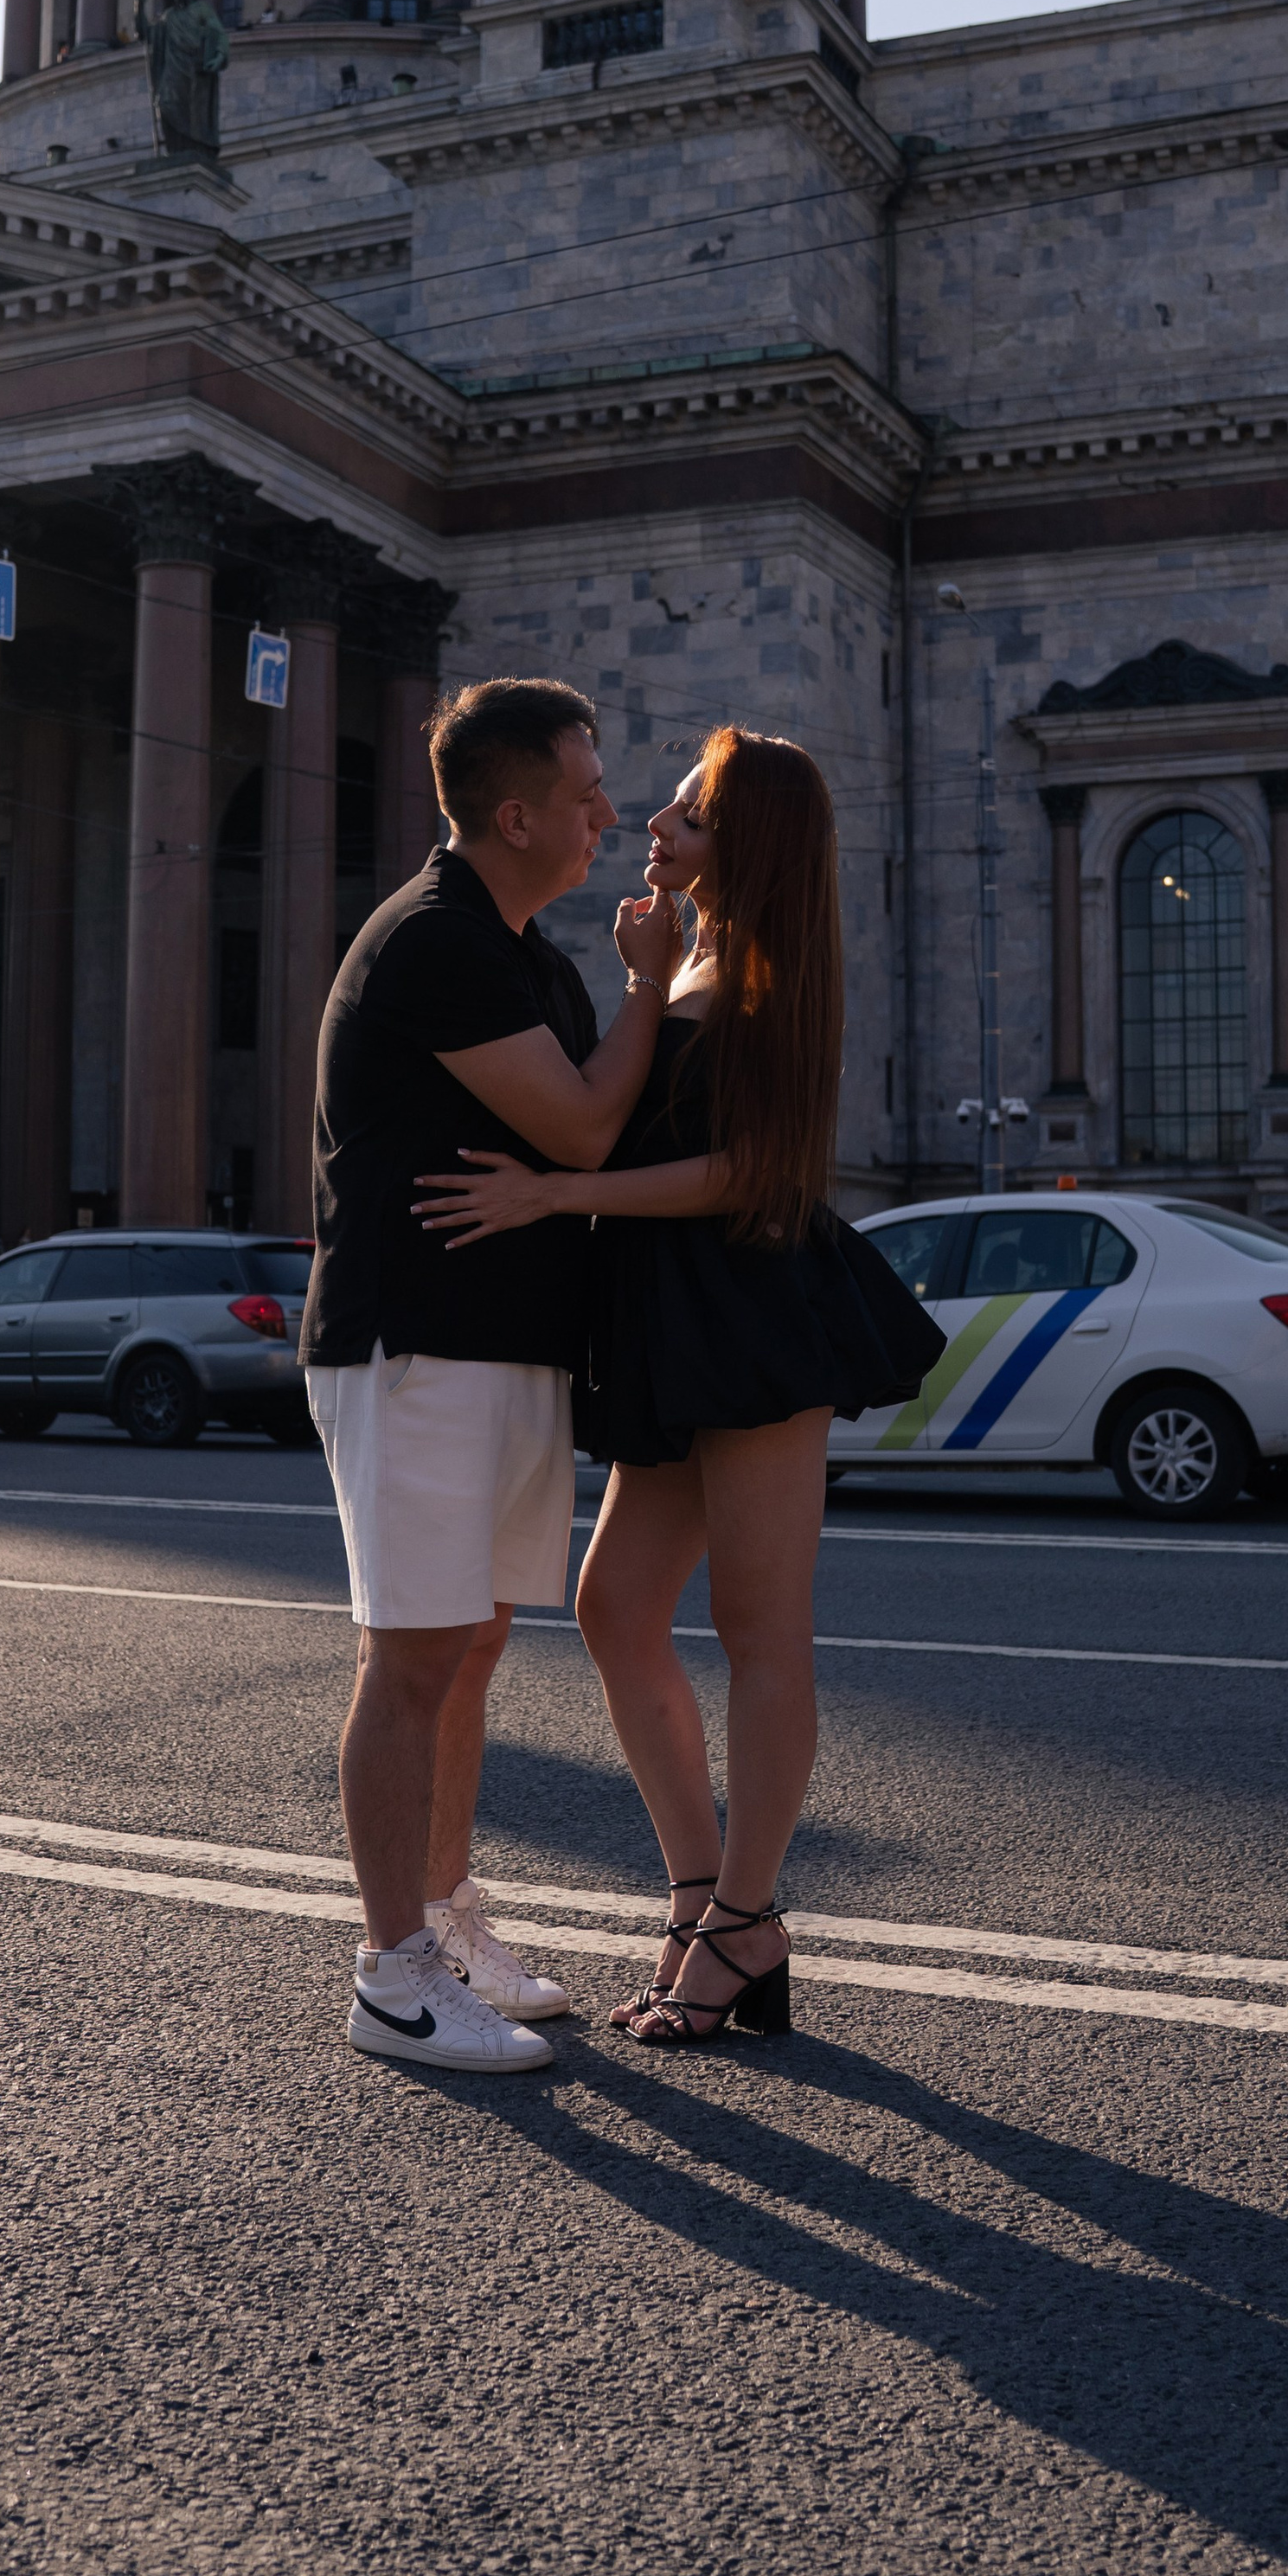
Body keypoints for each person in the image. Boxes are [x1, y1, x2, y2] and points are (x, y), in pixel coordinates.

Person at [416, 729, 942, 2047]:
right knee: (615, 1605)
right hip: (679, 1318)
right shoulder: (690, 952)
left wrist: (559, 1192)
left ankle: (744, 1922)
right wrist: (642, 981)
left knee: (763, 1629)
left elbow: (746, 1175)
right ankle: (709, 1899)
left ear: (746, 842)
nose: (654, 819)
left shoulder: (775, 968)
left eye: (691, 816)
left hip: (757, 1309)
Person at [303, 678, 682, 2074]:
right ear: (513, 813)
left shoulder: (526, 953)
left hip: (506, 1346)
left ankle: (451, 1918)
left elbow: (588, 1129)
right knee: (409, 1656)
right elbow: (587, 1127)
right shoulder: (434, 942)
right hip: (415, 1343)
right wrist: (653, 979)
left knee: (469, 1647)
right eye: (587, 792)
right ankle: (390, 1974)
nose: (607, 814)